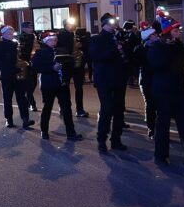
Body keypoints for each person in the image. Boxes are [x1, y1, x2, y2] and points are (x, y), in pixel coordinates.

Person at [148, 15, 184, 165]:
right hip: (163, 90)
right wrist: (173, 52)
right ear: (169, 32)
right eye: (176, 30)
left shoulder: (177, 45)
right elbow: (158, 65)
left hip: (178, 89)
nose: (179, 32)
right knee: (163, 124)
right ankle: (161, 156)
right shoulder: (158, 47)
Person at [31, 32, 83, 141]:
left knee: (67, 108)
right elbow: (35, 67)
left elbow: (69, 65)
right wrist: (51, 68)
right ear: (46, 41)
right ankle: (44, 130)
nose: (54, 42)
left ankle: (71, 133)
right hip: (48, 84)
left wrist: (69, 64)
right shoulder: (40, 52)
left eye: (55, 40)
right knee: (47, 108)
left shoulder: (61, 51)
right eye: (51, 40)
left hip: (62, 84)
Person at [89, 13, 128, 152]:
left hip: (118, 79)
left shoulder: (116, 37)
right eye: (111, 23)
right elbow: (96, 57)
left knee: (119, 110)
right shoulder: (96, 39)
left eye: (115, 23)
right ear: (105, 24)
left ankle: (116, 140)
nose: (114, 25)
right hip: (104, 80)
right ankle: (101, 140)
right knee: (106, 110)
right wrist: (114, 49)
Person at [0, 25, 34, 129]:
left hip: (19, 75)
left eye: (12, 33)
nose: (11, 35)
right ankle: (9, 120)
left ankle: (25, 120)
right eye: (9, 33)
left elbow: (22, 57)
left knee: (22, 98)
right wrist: (10, 69)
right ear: (3, 34)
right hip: (6, 76)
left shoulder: (16, 44)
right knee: (7, 98)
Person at [57, 18, 89, 117]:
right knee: (64, 87)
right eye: (70, 24)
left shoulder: (76, 35)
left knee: (79, 87)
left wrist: (81, 44)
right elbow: (60, 48)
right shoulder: (61, 35)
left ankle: (80, 109)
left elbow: (84, 47)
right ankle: (64, 107)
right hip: (66, 64)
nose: (72, 26)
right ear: (65, 25)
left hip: (77, 65)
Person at [134, 26, 159, 139]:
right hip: (146, 80)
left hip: (157, 79)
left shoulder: (159, 47)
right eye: (154, 35)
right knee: (150, 104)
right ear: (148, 37)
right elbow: (139, 61)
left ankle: (158, 127)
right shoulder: (141, 49)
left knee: (159, 104)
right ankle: (151, 128)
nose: (156, 36)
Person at [18, 22, 39, 112]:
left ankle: (28, 100)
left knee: (33, 83)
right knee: (28, 84)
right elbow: (21, 50)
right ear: (24, 28)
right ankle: (32, 103)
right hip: (24, 63)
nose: (31, 28)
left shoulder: (34, 36)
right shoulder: (21, 37)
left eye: (31, 27)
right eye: (29, 27)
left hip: (33, 63)